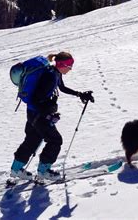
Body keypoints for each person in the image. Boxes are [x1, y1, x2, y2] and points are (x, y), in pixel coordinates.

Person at [10, 52, 94, 181]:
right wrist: (48, 115)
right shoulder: (50, 76)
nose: (70, 69)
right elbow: (37, 99)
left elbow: (62, 87)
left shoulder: (55, 73)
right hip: (38, 114)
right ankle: (43, 171)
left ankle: (16, 169)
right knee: (55, 140)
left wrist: (80, 94)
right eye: (69, 66)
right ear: (62, 64)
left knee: (32, 140)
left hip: (32, 113)